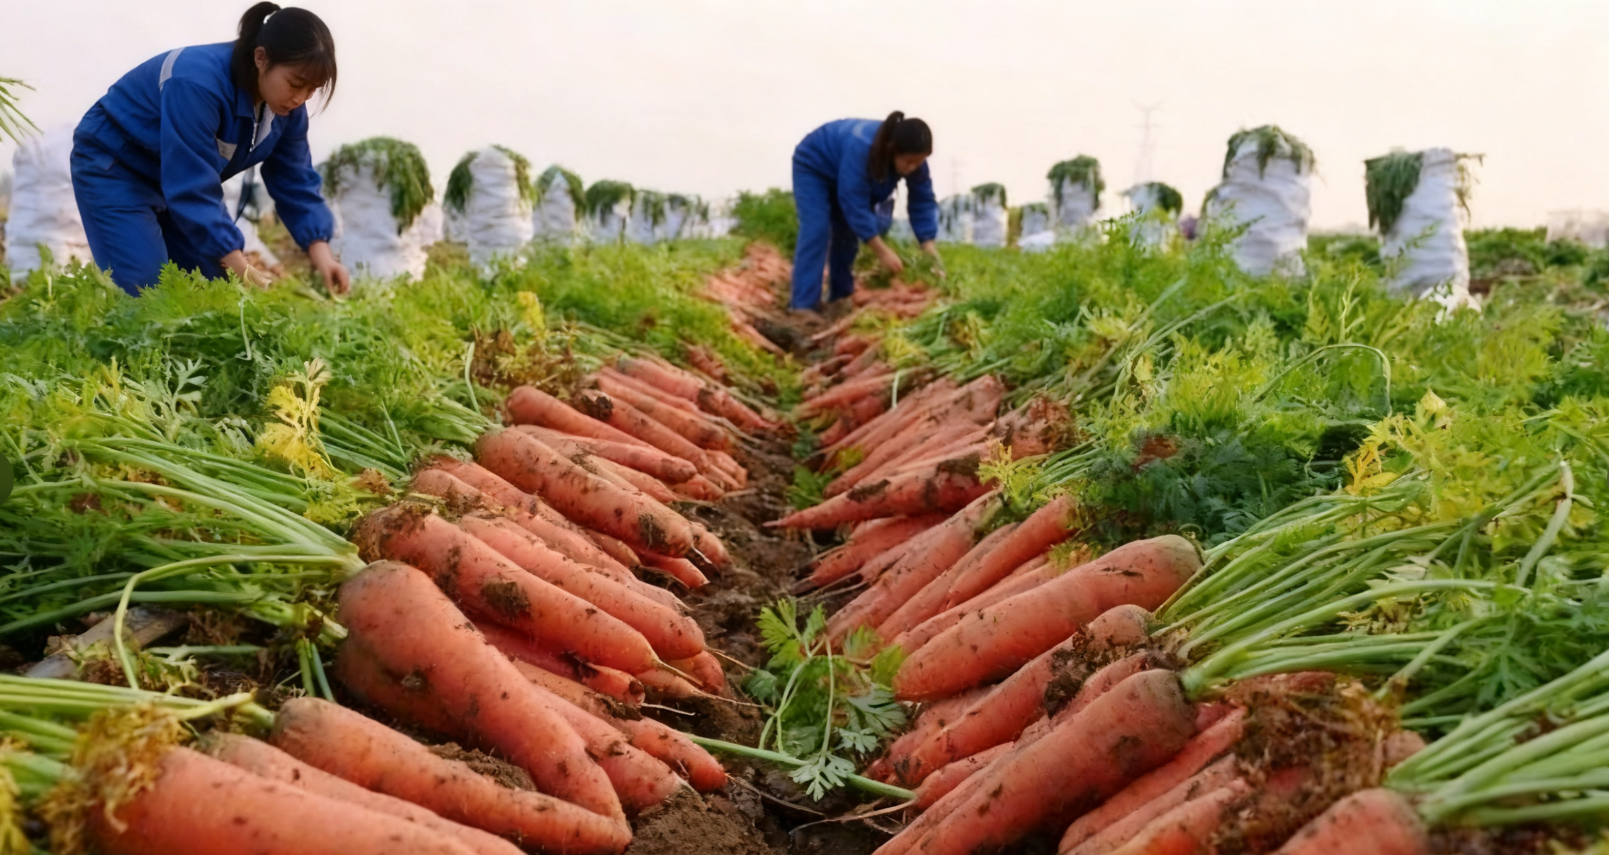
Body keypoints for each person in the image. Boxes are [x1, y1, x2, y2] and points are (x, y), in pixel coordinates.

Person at [70, 2, 350, 296]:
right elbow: (193, 185)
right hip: (116, 166)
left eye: (312, 90)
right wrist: (241, 266)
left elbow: (295, 180)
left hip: (172, 182)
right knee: (146, 289)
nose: (300, 99)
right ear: (261, 58)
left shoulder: (287, 111)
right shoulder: (197, 84)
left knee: (211, 287)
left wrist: (323, 256)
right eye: (296, 84)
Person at [789, 112, 941, 313]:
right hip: (815, 166)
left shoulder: (915, 160)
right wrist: (881, 250)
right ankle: (803, 306)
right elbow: (854, 202)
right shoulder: (862, 147)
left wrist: (929, 248)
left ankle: (839, 299)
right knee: (817, 228)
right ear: (892, 150)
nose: (914, 168)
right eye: (909, 162)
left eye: (919, 162)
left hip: (844, 173)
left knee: (846, 237)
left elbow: (922, 201)